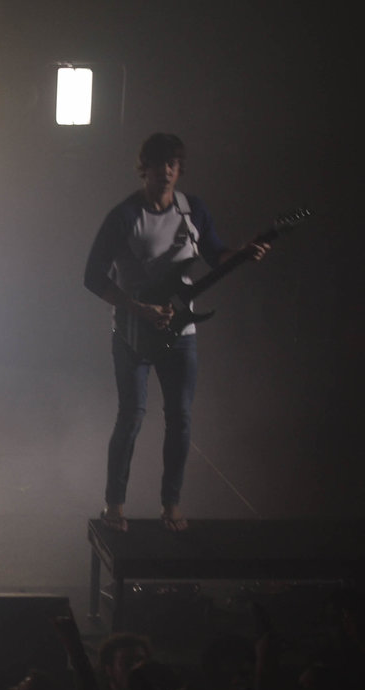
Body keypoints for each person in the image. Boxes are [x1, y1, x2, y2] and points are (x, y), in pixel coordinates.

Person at [81, 133, 268, 532]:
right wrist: (136, 307)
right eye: (158, 164)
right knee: (131, 415)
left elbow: (216, 254)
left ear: (179, 169)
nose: (166, 171)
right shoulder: (124, 216)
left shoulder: (192, 210)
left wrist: (243, 254)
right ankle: (114, 505)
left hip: (181, 332)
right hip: (132, 332)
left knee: (180, 418)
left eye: (173, 164)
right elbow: (91, 276)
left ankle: (172, 506)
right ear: (143, 168)